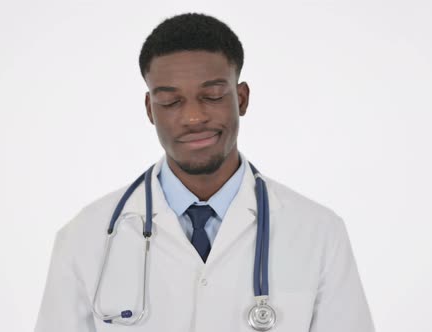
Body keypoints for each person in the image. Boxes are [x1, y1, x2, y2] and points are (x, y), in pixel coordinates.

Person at [34, 13, 375, 332]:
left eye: (212, 96)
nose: (194, 117)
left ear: (241, 98)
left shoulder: (318, 233)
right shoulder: (85, 238)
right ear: (150, 109)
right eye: (170, 101)